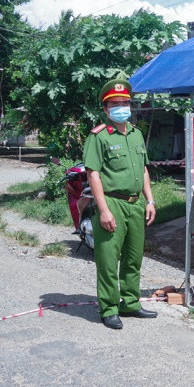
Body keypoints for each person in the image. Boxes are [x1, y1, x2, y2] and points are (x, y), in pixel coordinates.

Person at [84, 79, 157, 330]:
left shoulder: (136, 134)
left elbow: (144, 169)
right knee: (108, 259)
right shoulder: (99, 136)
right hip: (112, 202)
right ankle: (108, 308)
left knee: (133, 258)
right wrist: (103, 209)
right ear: (105, 109)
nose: (121, 108)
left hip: (136, 205)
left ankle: (130, 303)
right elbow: (93, 174)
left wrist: (150, 200)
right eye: (115, 104)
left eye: (125, 103)